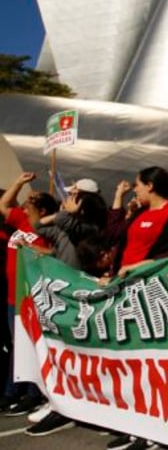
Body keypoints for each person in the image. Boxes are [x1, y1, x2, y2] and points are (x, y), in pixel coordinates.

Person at [0, 174, 56, 415]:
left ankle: (32, 393)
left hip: (31, 297)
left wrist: (33, 247)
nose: (24, 203)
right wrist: (19, 182)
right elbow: (3, 205)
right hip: (12, 296)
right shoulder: (21, 220)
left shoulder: (47, 228)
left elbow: (55, 253)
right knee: (15, 345)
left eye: (31, 201)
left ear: (42, 209)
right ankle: (13, 391)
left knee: (30, 346)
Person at [106, 167, 168, 280]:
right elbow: (113, 234)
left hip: (147, 281)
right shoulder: (140, 212)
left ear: (149, 186)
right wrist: (119, 196)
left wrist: (139, 266)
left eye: (137, 185)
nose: (135, 190)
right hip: (122, 280)